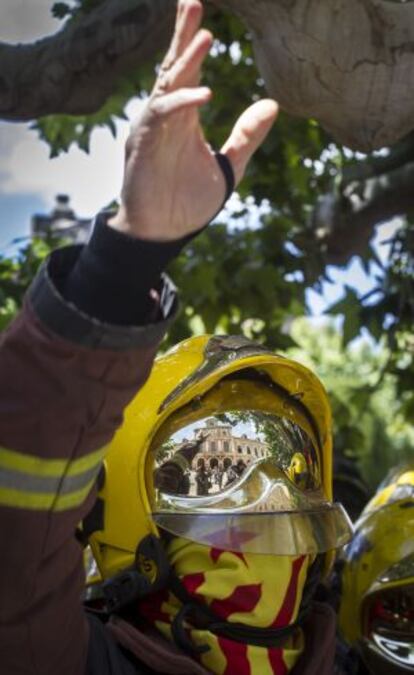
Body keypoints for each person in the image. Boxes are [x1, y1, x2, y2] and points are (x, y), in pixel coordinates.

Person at [0, 2, 352, 674]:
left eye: (291, 468)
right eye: (214, 474)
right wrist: (124, 260)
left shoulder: (355, 658)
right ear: (137, 513)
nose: (268, 503)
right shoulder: (58, 655)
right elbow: (13, 544)